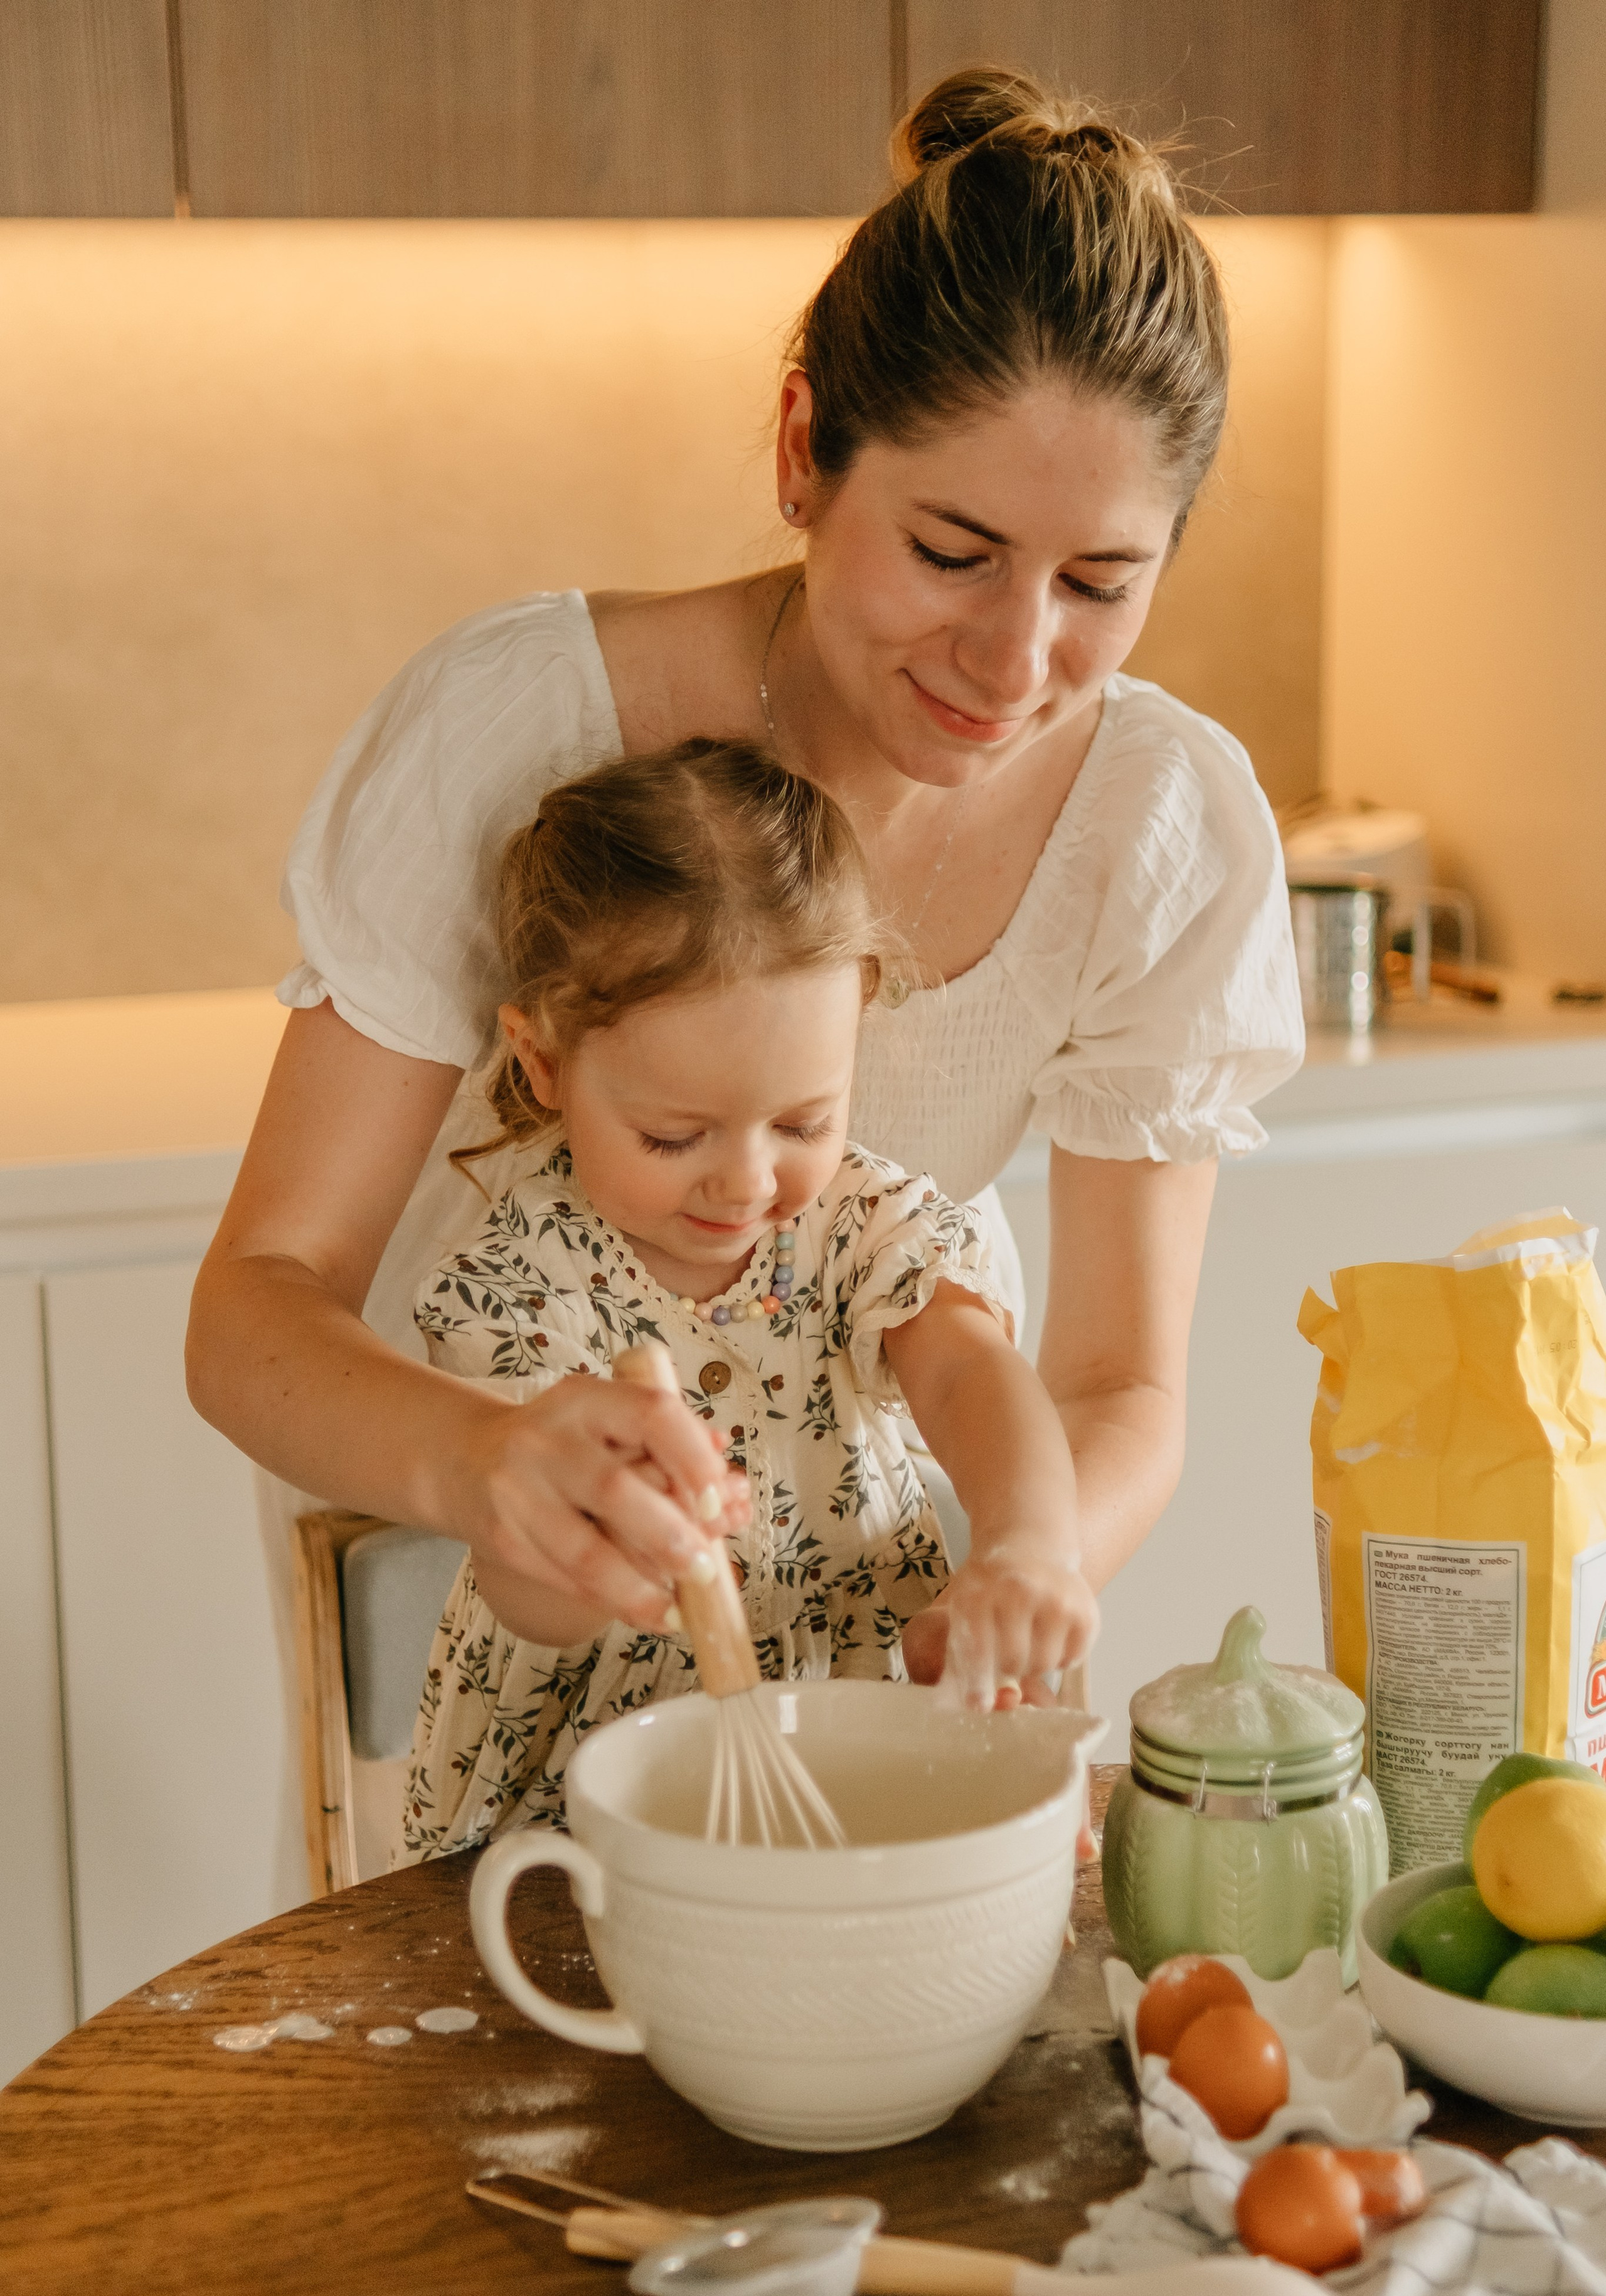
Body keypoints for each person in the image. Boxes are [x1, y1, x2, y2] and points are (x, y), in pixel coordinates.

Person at [187, 64, 1302, 1707]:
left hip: (851, 1632)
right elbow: (255, 1308)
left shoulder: (1162, 827)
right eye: (951, 552)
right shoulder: (516, 725)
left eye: (1102, 584)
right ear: (804, 450)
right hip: (488, 1621)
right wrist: (493, 1467)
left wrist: (1030, 1565)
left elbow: (1120, 1380)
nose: (1016, 660)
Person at [405, 737, 1093, 1855]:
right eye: (674, 1136)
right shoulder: (521, 1282)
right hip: (589, 1805)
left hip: (855, 1747)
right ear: (542, 1064)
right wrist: (590, 1539)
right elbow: (527, 1592)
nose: (747, 1181)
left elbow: (972, 1374)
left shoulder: (864, 1225)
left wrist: (1026, 1546)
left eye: (802, 1123)